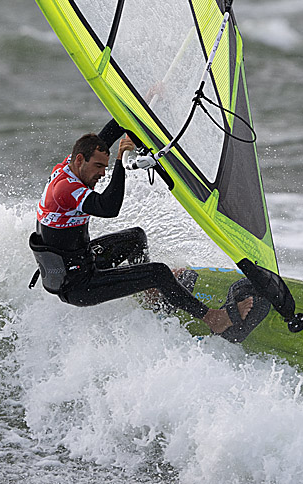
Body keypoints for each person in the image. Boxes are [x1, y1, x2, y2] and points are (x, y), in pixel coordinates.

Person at [30, 120, 252, 335]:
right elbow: (109, 207)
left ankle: (151, 293)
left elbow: (109, 132)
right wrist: (120, 160)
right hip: (78, 284)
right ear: (80, 160)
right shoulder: (64, 190)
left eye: (104, 166)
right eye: (98, 166)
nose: (102, 173)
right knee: (159, 272)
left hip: (81, 261)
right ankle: (213, 319)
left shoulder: (70, 166)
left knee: (136, 238)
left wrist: (141, 105)